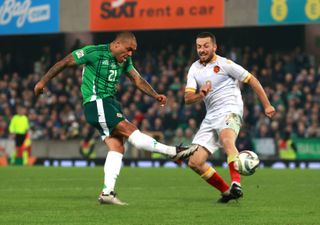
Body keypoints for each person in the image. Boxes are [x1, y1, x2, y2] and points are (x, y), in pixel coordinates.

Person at [34, 31, 197, 205]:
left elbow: (137, 79)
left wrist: (155, 95)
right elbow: (65, 62)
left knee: (117, 147)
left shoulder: (125, 60)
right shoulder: (93, 52)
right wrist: (42, 82)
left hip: (110, 104)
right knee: (131, 131)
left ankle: (107, 192)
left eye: (133, 51)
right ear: (117, 44)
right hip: (96, 102)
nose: (130, 54)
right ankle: (173, 152)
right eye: (128, 49)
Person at [184, 32, 275, 203]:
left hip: (230, 110)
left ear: (214, 47)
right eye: (199, 46)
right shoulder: (194, 69)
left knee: (227, 140)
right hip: (210, 117)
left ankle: (236, 184)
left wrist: (267, 104)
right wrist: (201, 94)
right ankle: (227, 192)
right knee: (195, 162)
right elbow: (187, 99)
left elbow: (252, 80)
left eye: (206, 46)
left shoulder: (225, 64)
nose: (202, 50)